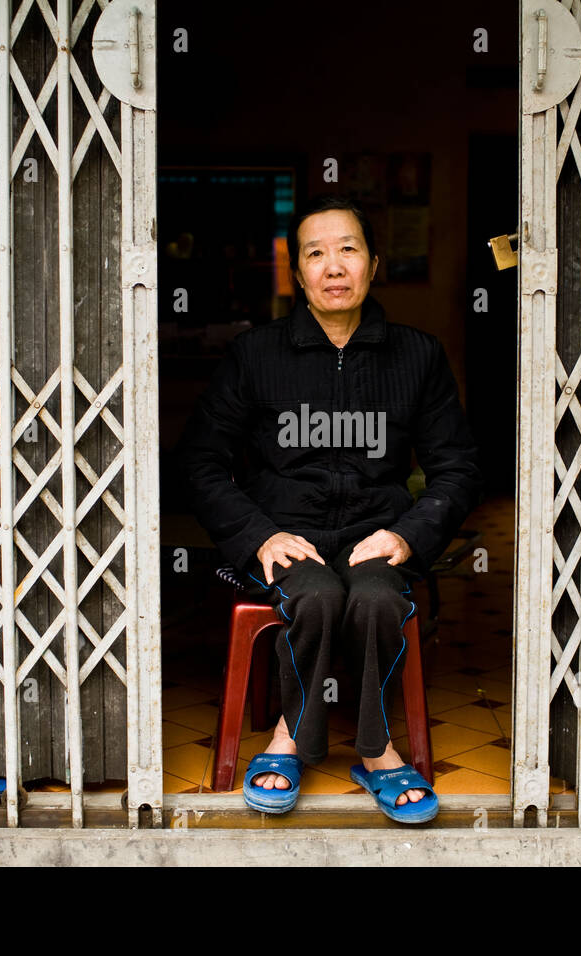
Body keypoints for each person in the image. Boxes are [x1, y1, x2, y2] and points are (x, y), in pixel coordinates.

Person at [177, 194, 481, 821]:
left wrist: (408, 535)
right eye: (315, 253)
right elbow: (200, 462)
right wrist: (259, 535)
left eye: (348, 250)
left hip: (378, 533)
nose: (333, 266)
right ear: (298, 273)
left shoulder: (417, 356)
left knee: (374, 597)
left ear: (374, 265)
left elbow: (459, 466)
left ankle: (376, 752)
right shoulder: (254, 355)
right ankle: (290, 736)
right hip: (290, 535)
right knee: (314, 595)